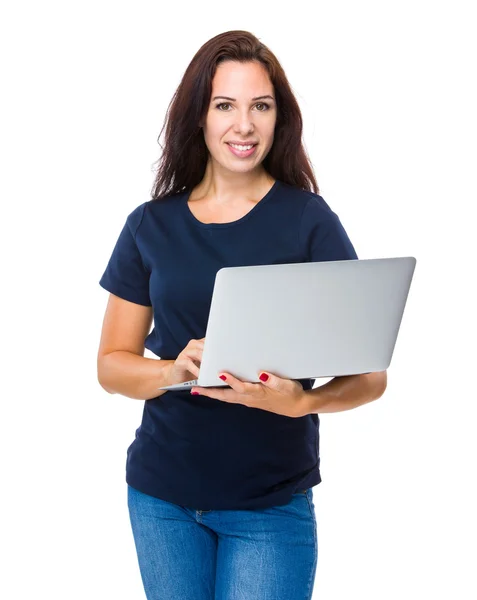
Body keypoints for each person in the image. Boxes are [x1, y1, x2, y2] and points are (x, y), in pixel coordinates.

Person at [98, 29, 384, 600]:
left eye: (261, 105)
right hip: (162, 499)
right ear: (199, 117)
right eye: (224, 105)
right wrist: (172, 371)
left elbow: (370, 377)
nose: (244, 125)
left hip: (269, 506)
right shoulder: (149, 224)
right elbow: (111, 366)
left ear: (280, 118)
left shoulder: (309, 221)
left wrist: (305, 400)